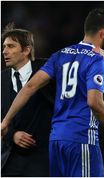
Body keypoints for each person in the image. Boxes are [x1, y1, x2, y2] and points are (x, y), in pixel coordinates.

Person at [1, 8, 104, 177]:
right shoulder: (97, 59)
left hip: (56, 141)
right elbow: (94, 101)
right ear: (103, 33)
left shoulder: (60, 55)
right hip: (82, 138)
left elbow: (29, 87)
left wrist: (5, 121)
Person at [1, 24, 54, 176]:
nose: (4, 51)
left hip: (44, 156)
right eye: (4, 47)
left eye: (11, 46)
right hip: (11, 157)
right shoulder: (1, 79)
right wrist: (12, 134)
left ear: (26, 50)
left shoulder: (47, 69)